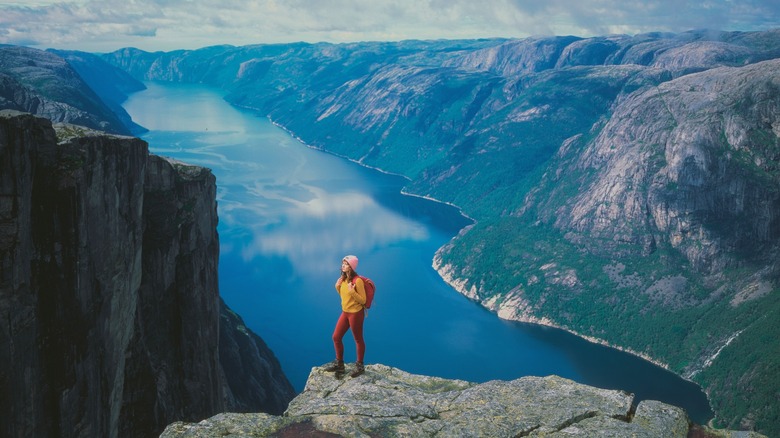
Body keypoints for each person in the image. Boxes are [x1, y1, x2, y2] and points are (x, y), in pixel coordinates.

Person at [324, 255, 367, 377]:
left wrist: (352, 291)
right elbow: (345, 297)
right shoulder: (342, 279)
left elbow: (363, 300)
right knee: (336, 337)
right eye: (343, 263)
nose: (343, 265)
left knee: (358, 339)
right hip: (345, 312)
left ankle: (359, 366)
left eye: (346, 264)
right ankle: (340, 365)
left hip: (355, 314)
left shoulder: (357, 281)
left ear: (351, 267)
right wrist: (337, 287)